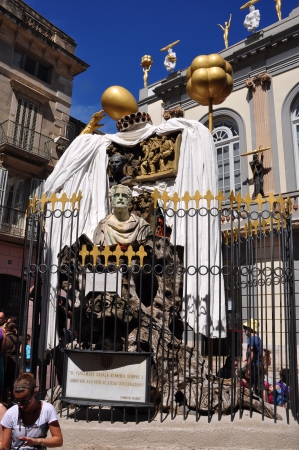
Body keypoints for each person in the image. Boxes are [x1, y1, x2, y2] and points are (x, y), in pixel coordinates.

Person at [1, 372, 63, 450]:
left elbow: (58, 440)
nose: (21, 406)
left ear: (34, 393)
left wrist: (36, 441)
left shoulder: (47, 409)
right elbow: (5, 446)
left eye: (25, 401)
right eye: (17, 401)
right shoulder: (11, 413)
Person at [243, 319, 263, 396]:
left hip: (254, 365)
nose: (244, 331)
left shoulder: (251, 339)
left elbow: (251, 354)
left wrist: (248, 368)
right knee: (259, 387)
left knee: (238, 373)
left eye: (245, 328)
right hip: (260, 364)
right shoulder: (258, 339)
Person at [4, 323, 20, 404]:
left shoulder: (7, 338)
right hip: (16, 361)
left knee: (7, 381)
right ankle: (14, 399)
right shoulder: (17, 338)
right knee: (14, 381)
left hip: (8, 360)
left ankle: (6, 400)